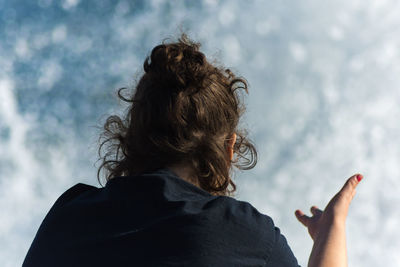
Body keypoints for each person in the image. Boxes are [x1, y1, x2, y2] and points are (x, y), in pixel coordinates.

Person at [23, 34, 363, 267]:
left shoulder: (67, 219)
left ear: (132, 137)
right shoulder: (242, 235)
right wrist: (331, 230)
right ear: (229, 149)